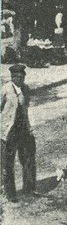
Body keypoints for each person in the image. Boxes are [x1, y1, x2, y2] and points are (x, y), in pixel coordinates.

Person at [1, 63, 36, 202]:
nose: (20, 79)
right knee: (7, 164)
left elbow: (27, 108)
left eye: (22, 77)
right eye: (17, 77)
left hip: (23, 130)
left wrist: (29, 127)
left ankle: (29, 189)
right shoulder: (5, 90)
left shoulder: (26, 89)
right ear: (12, 77)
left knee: (28, 159)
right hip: (9, 131)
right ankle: (10, 193)